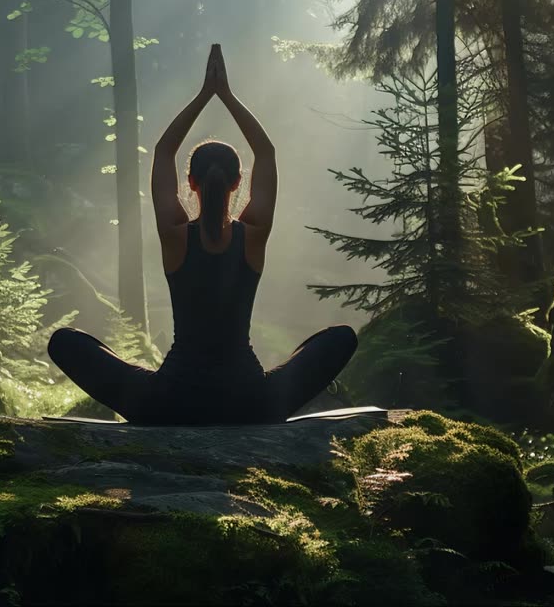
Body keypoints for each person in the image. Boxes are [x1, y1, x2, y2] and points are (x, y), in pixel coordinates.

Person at [47, 44, 358, 424]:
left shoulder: (176, 237)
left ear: (190, 182)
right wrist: (227, 96)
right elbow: (266, 152)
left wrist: (203, 96)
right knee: (341, 338)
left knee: (64, 342)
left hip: (170, 404)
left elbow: (163, 153)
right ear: (237, 182)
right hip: (250, 404)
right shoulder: (253, 235)